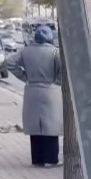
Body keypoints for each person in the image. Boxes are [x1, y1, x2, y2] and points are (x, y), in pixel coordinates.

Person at [7, 26, 62, 167]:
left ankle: (37, 158)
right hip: (50, 90)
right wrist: (57, 80)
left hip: (31, 90)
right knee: (50, 127)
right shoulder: (55, 52)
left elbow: (9, 62)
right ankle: (50, 159)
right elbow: (63, 69)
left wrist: (24, 77)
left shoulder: (26, 51)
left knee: (35, 126)